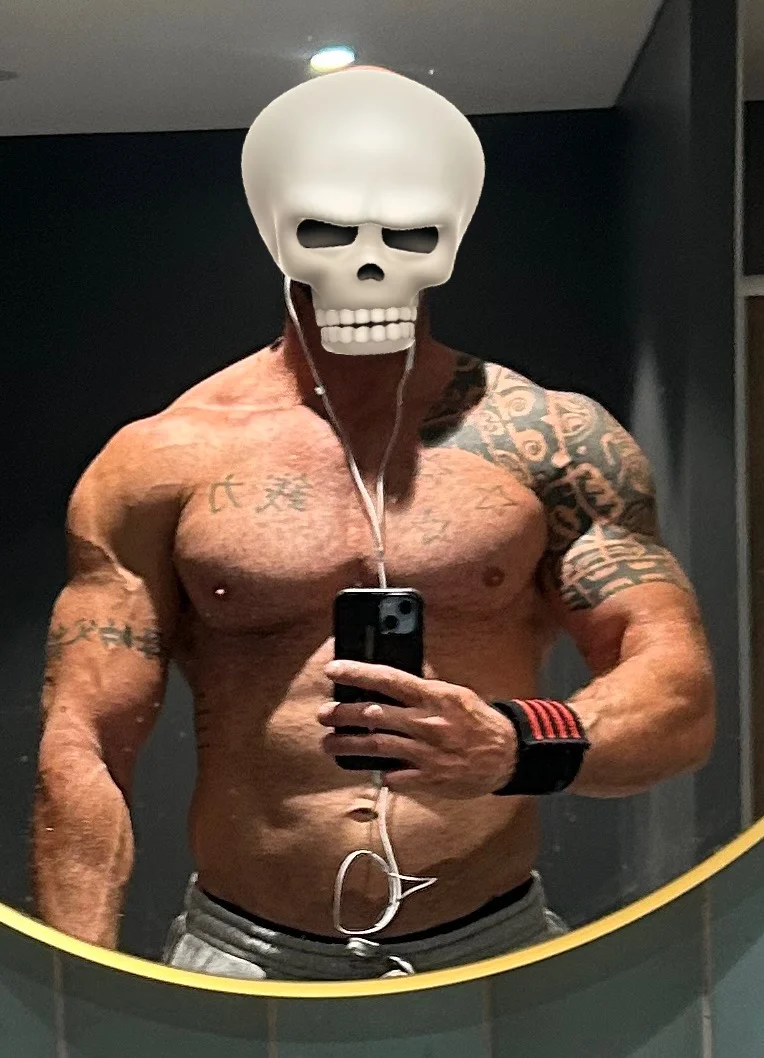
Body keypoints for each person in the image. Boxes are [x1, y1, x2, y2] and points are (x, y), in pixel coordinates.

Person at [32, 70, 715, 982]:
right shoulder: (162, 461)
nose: (367, 263)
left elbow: (677, 697)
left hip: (492, 946)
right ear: (276, 232)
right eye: (327, 233)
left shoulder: (552, 441)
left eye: (409, 236)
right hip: (245, 952)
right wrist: (81, 986)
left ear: (453, 238)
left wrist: (515, 746)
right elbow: (84, 737)